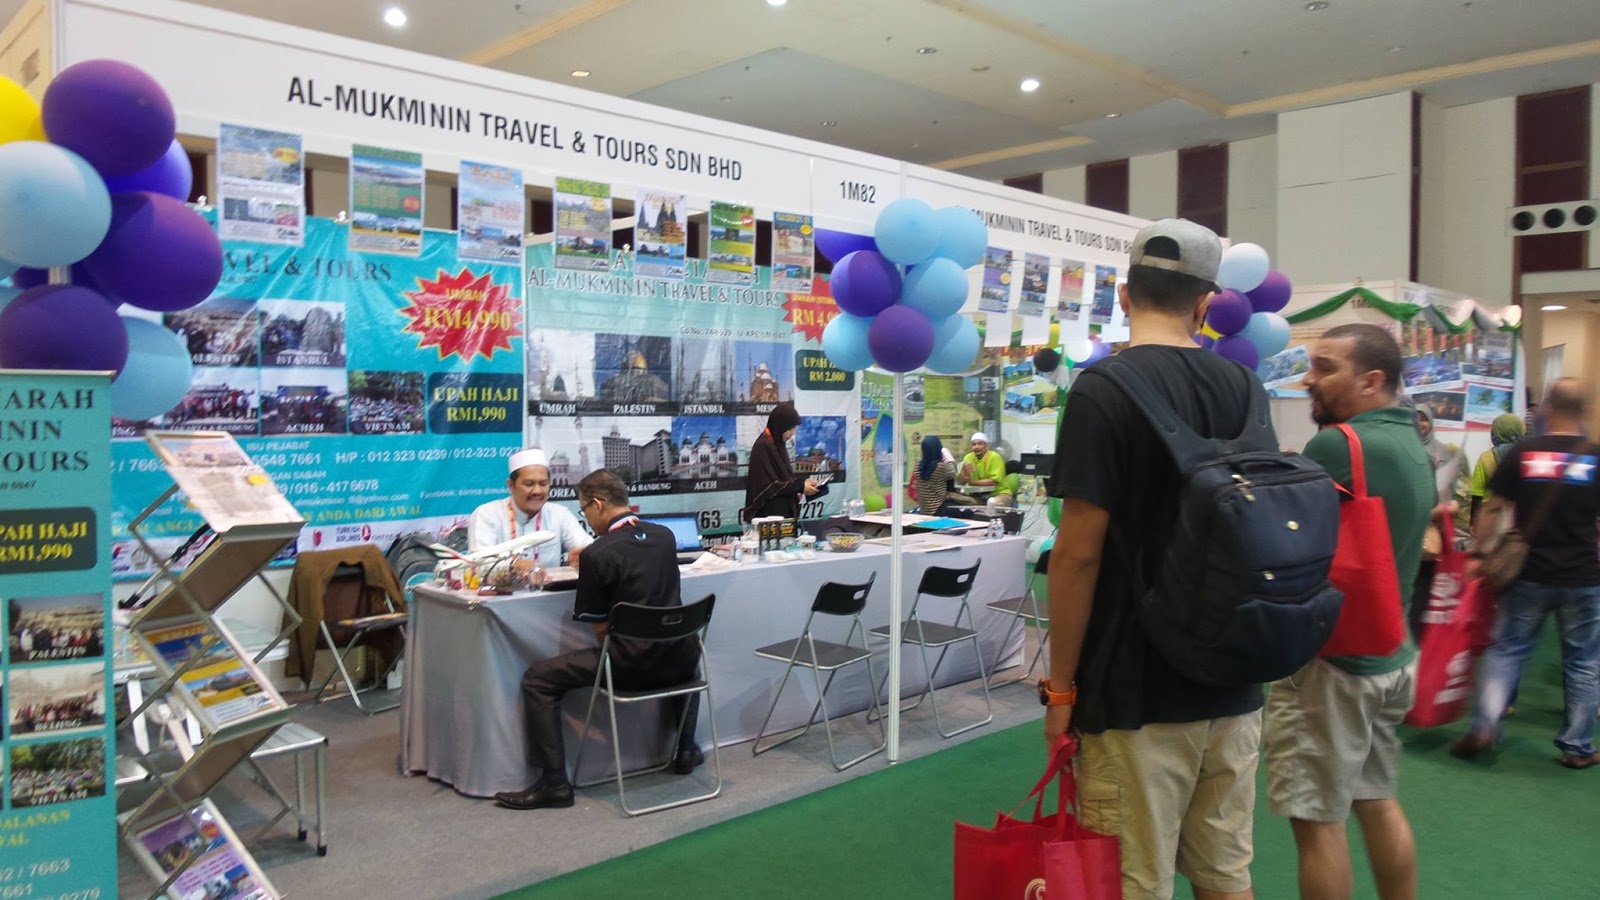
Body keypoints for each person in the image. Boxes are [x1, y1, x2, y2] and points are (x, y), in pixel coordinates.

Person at [1045, 218, 1263, 899]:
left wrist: (1060, 691)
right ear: (1206, 303)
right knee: (1225, 875)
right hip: (1234, 675)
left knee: (1133, 882)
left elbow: (1077, 556)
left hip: (1133, 688)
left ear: (1122, 294)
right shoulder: (1245, 386)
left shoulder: (1103, 390)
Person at [1266, 323, 1433, 900]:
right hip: (1392, 651)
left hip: (1335, 663)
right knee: (1376, 799)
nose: (1308, 379)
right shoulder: (1411, 438)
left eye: (1325, 367)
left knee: (1317, 822)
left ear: (1371, 380)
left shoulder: (1339, 445)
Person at [494, 470, 704, 811]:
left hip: (629, 668)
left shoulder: (598, 553)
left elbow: (602, 633)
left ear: (598, 504)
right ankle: (687, 749)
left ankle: (554, 782)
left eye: (585, 510)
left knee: (538, 678)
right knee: (685, 652)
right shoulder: (665, 536)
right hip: (682, 662)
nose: (587, 519)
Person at [1454, 378, 1600, 769]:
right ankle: (1578, 746)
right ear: (1584, 411)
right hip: (1584, 576)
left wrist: (1479, 552)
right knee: (1584, 660)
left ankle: (1485, 725)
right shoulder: (1595, 456)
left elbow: (1492, 508)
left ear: (1547, 408)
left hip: (1527, 574)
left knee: (1507, 650)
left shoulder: (1523, 452)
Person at [467, 448, 592, 571]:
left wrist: (583, 555)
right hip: (500, 585)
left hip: (550, 585)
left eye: (543, 484)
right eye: (529, 484)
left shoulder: (559, 514)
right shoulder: (486, 515)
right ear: (511, 485)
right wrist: (513, 565)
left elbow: (587, 546)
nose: (537, 491)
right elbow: (479, 564)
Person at [742, 401, 820, 522]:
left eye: (794, 429)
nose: (792, 434)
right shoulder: (763, 446)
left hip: (782, 516)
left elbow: (784, 478)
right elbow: (771, 486)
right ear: (781, 426)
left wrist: (803, 483)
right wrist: (801, 487)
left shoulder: (777, 445)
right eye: (790, 429)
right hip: (768, 517)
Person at [1468, 413, 1527, 525]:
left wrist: (1473, 521)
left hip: (1491, 516)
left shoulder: (1486, 457)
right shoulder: (1526, 455)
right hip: (1519, 516)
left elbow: (1477, 493)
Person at [912, 436, 958, 515]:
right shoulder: (940, 467)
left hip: (924, 510)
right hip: (938, 508)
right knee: (967, 511)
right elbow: (953, 471)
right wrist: (948, 456)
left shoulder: (917, 466)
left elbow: (924, 461)